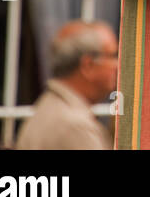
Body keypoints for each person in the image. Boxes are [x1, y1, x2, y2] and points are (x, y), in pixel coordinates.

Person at [16, 20, 118, 150]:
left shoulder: (53, 107)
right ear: (88, 65)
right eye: (113, 56)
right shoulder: (75, 126)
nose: (117, 65)